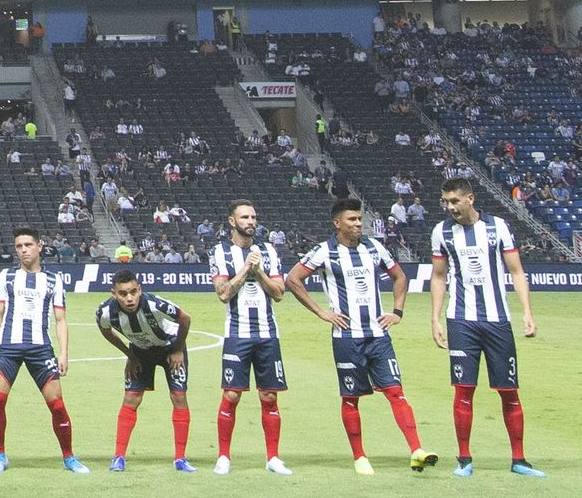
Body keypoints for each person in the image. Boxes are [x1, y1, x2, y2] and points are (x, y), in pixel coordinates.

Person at [284, 199, 438, 475]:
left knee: (395, 391)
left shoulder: (374, 247)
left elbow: (399, 277)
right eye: (352, 219)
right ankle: (360, 457)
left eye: (359, 219)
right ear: (337, 223)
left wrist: (397, 312)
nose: (358, 224)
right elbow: (293, 279)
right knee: (351, 397)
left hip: (378, 336)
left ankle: (416, 449)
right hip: (346, 337)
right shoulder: (324, 252)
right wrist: (322, 312)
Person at [430, 179, 545, 478]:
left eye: (455, 201)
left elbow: (516, 271)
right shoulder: (441, 232)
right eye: (446, 202)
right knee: (463, 391)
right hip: (461, 321)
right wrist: (435, 318)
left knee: (509, 391)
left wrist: (527, 313)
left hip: (497, 321)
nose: (450, 207)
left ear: (470, 198)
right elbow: (439, 277)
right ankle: (464, 459)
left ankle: (519, 460)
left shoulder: (498, 227)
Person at [0, 227, 88, 474]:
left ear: (39, 246)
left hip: (41, 349)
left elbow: (60, 319)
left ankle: (69, 457)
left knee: (57, 405)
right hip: (8, 347)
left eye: (28, 245)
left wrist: (63, 353)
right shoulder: (6, 276)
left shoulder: (53, 280)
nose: (23, 250)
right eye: (19, 246)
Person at [209, 199, 290, 476]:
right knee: (231, 395)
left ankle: (273, 457)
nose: (251, 221)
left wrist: (260, 272)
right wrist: (245, 269)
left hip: (268, 334)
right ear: (232, 221)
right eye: (245, 217)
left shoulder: (268, 250)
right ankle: (223, 457)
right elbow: (222, 294)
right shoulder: (220, 252)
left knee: (269, 396)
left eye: (253, 217)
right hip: (237, 334)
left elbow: (279, 293)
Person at [96, 270, 194, 472]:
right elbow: (105, 331)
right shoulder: (105, 312)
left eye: (133, 292)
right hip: (140, 352)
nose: (129, 298)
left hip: (170, 348)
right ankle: (118, 458)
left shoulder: (154, 305)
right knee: (131, 398)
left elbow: (185, 319)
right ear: (114, 293)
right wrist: (130, 356)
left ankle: (180, 459)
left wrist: (177, 349)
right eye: (123, 294)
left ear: (140, 289)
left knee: (179, 397)